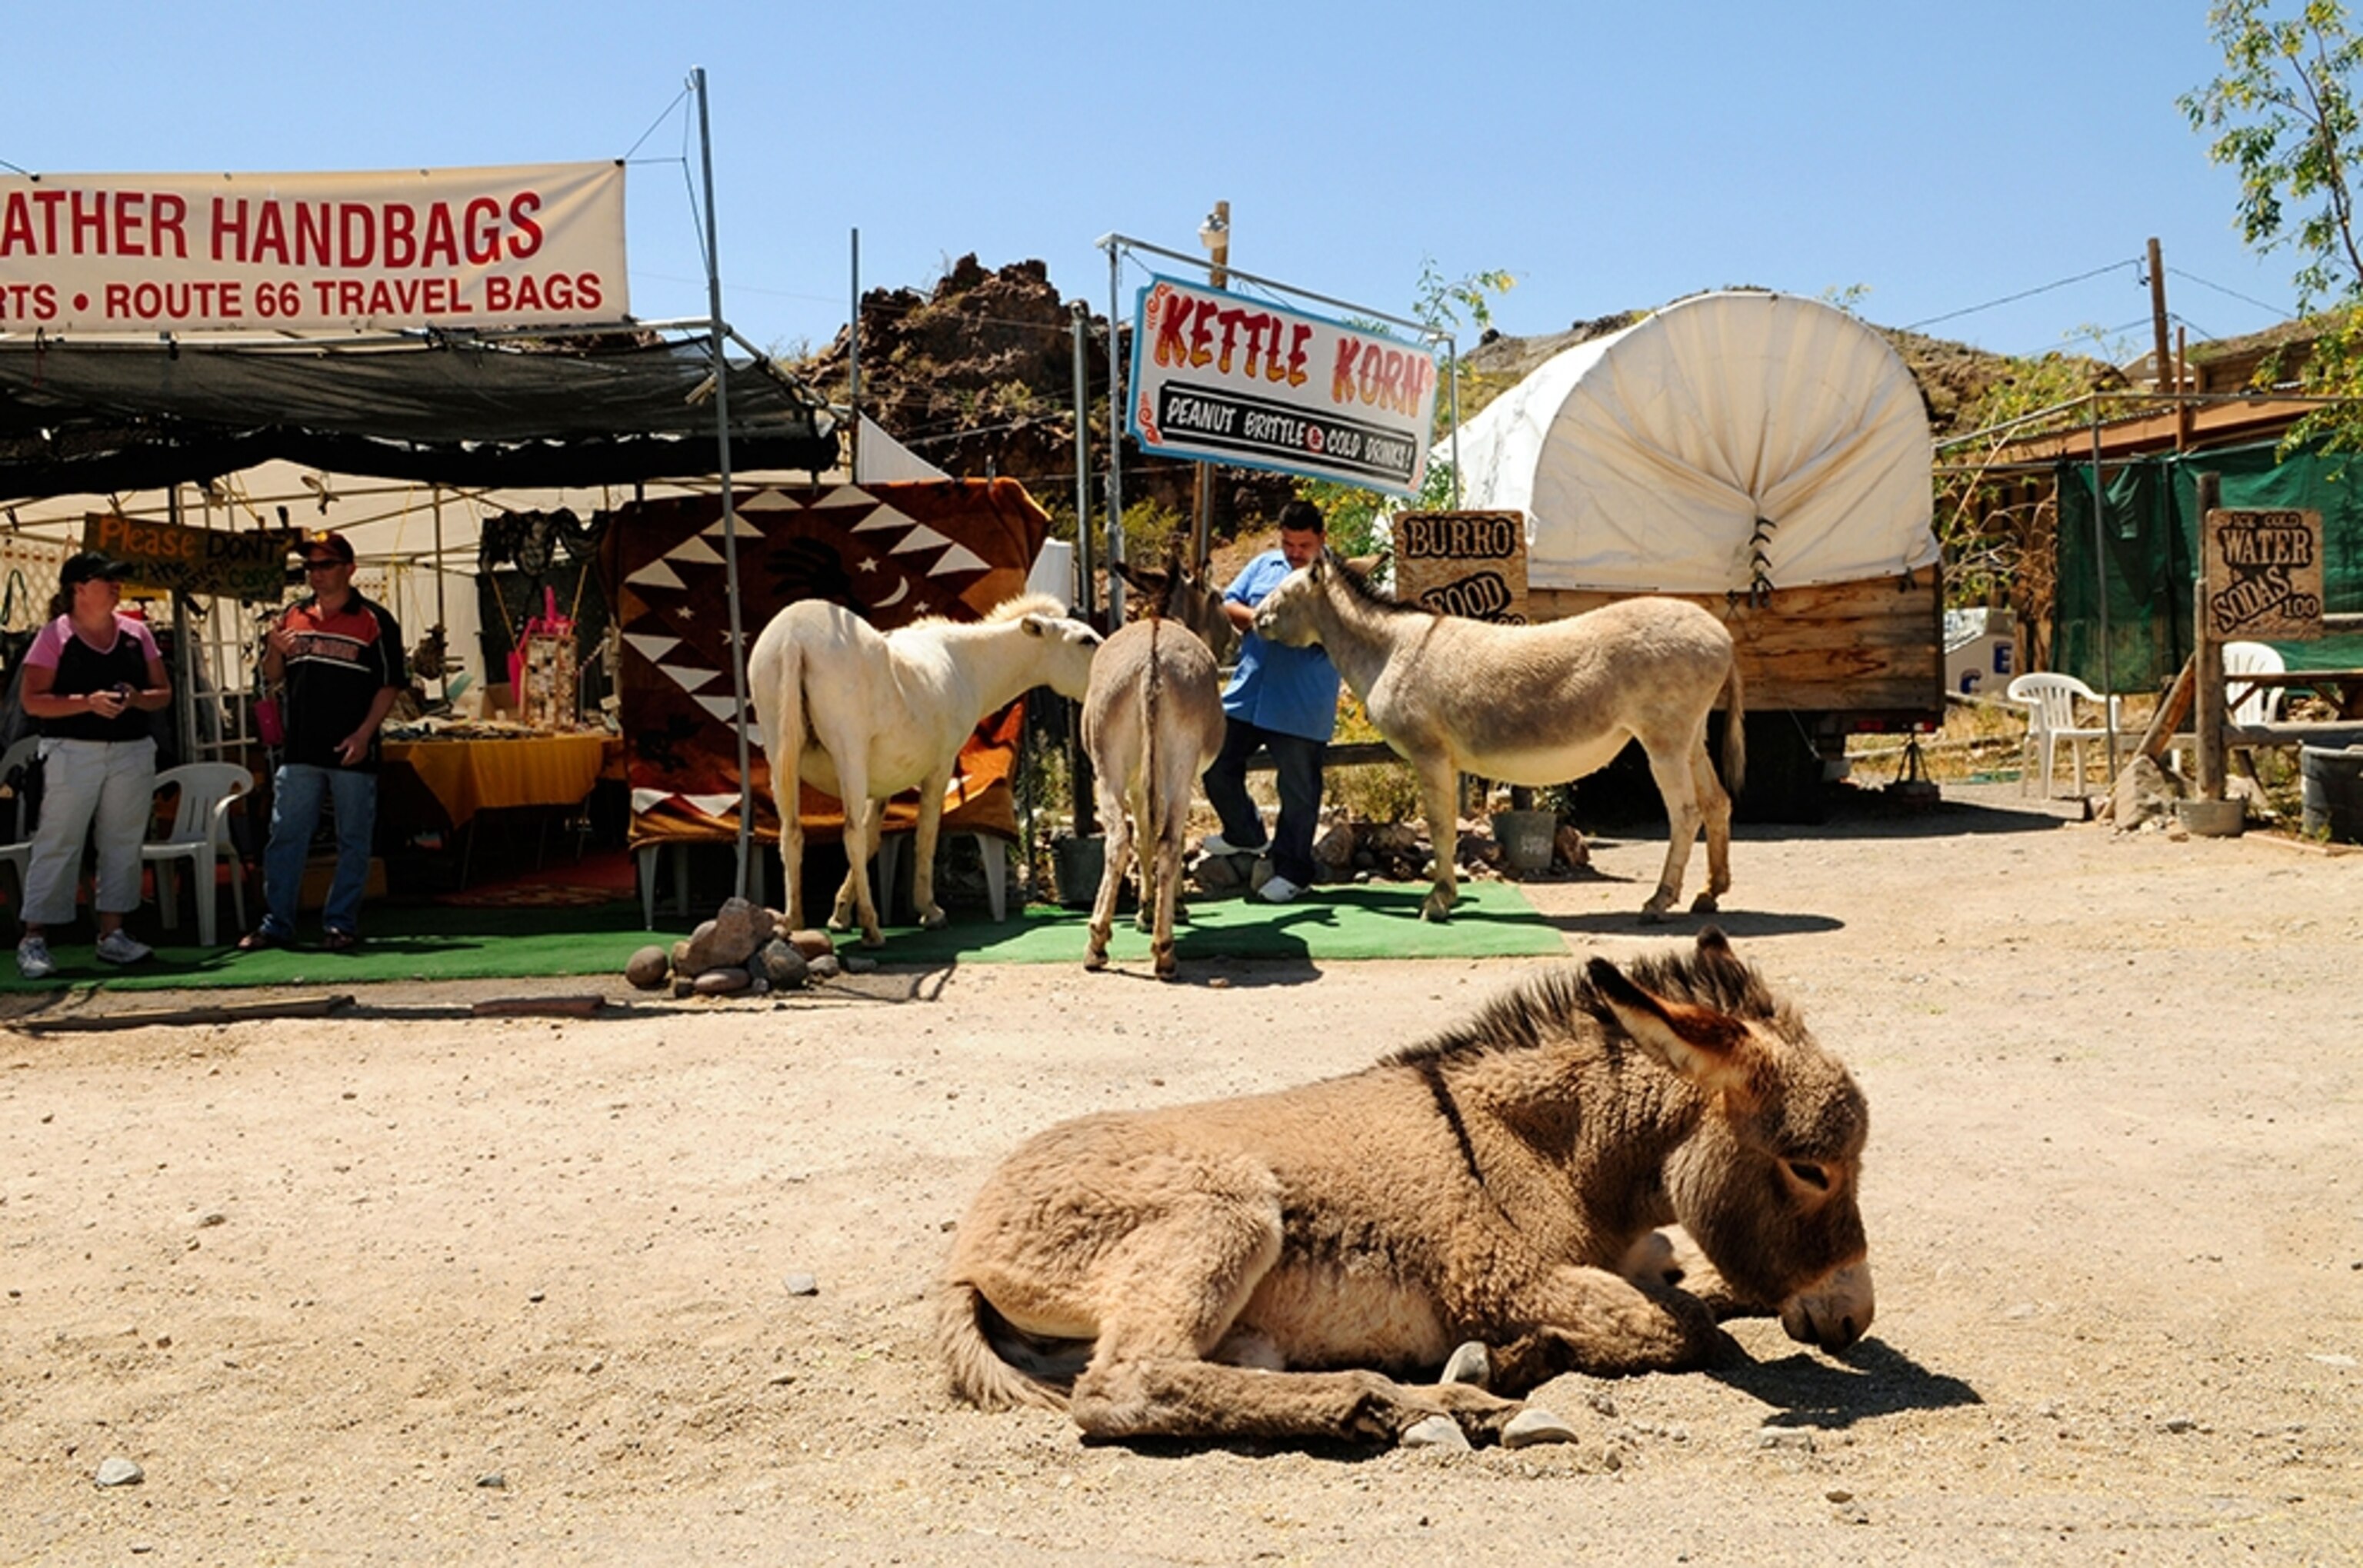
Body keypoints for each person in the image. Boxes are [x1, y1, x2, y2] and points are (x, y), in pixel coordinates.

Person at [239, 531, 405, 953]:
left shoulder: (374, 619)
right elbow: (273, 676)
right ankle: (277, 923)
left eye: (326, 564)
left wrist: (364, 735)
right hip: (301, 747)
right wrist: (274, 649)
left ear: (350, 568)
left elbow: (389, 685)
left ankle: (341, 923)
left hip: (352, 745)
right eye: (310, 566)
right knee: (286, 834)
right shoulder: (293, 614)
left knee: (353, 837)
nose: (316, 573)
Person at [14, 552, 172, 979]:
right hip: (70, 751)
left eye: (117, 579)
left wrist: (137, 698)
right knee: (58, 841)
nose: (116, 587)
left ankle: (112, 935)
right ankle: (34, 938)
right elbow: (33, 701)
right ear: (78, 588)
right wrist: (88, 702)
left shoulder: (137, 633)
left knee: (122, 841)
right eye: (106, 580)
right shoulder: (54, 635)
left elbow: (163, 692)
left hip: (131, 749)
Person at [1198, 501, 1339, 904]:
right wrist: (1260, 617)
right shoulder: (1263, 565)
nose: (1295, 553)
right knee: (1215, 762)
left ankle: (1293, 872)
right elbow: (1229, 603)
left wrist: (1292, 628)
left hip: (1300, 702)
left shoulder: (1337, 579)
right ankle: (1245, 833)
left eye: (1304, 545)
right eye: (1289, 544)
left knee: (1298, 790)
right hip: (1248, 695)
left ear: (1322, 539)